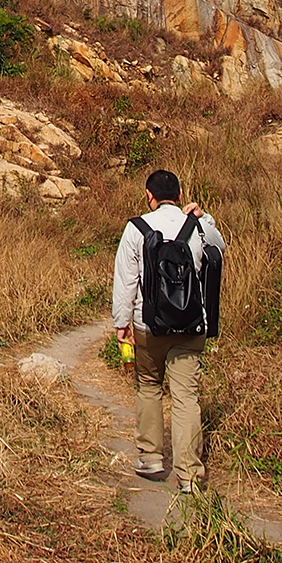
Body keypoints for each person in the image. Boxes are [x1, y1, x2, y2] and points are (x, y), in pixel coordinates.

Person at [112, 168, 225, 493]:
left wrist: (122, 324)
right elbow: (219, 251)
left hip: (149, 325)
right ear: (179, 195)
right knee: (186, 397)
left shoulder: (136, 228)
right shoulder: (199, 225)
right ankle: (189, 474)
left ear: (149, 196)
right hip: (191, 325)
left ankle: (151, 459)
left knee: (148, 386)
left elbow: (126, 281)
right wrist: (206, 217)